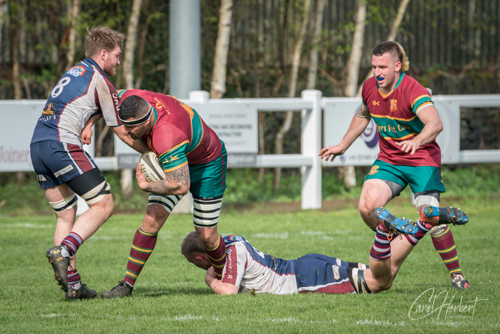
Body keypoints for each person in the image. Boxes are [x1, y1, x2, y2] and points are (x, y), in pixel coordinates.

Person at [319, 41, 470, 289]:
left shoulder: (413, 90)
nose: (377, 73)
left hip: (422, 159)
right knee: (367, 207)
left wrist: (417, 140)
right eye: (374, 67)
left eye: (383, 67)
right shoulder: (370, 87)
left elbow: (435, 124)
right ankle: (395, 234)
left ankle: (457, 276)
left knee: (431, 218)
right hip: (390, 160)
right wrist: (342, 145)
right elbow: (362, 115)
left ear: (397, 66)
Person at [30, 26, 149, 299]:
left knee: (65, 214)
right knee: (104, 203)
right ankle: (65, 250)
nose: (119, 61)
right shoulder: (101, 80)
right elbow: (121, 130)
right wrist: (150, 154)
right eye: (117, 55)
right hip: (61, 144)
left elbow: (85, 105)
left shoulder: (76, 71)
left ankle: (73, 287)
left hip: (38, 145)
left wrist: (89, 123)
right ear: (104, 53)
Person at [101, 89, 228, 298]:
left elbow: (180, 185)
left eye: (132, 127)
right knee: (150, 221)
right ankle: (126, 286)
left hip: (208, 164)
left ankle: (226, 278)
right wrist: (88, 125)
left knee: (206, 234)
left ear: (146, 120)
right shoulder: (130, 98)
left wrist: (146, 186)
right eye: (124, 124)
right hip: (177, 160)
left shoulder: (166, 135)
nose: (127, 131)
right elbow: (102, 99)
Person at [181, 213, 460, 295]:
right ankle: (425, 224)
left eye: (194, 263)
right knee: (382, 277)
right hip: (307, 264)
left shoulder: (230, 253)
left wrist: (211, 281)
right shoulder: (232, 240)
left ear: (201, 257)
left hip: (303, 279)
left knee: (379, 281)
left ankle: (383, 233)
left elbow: (228, 293)